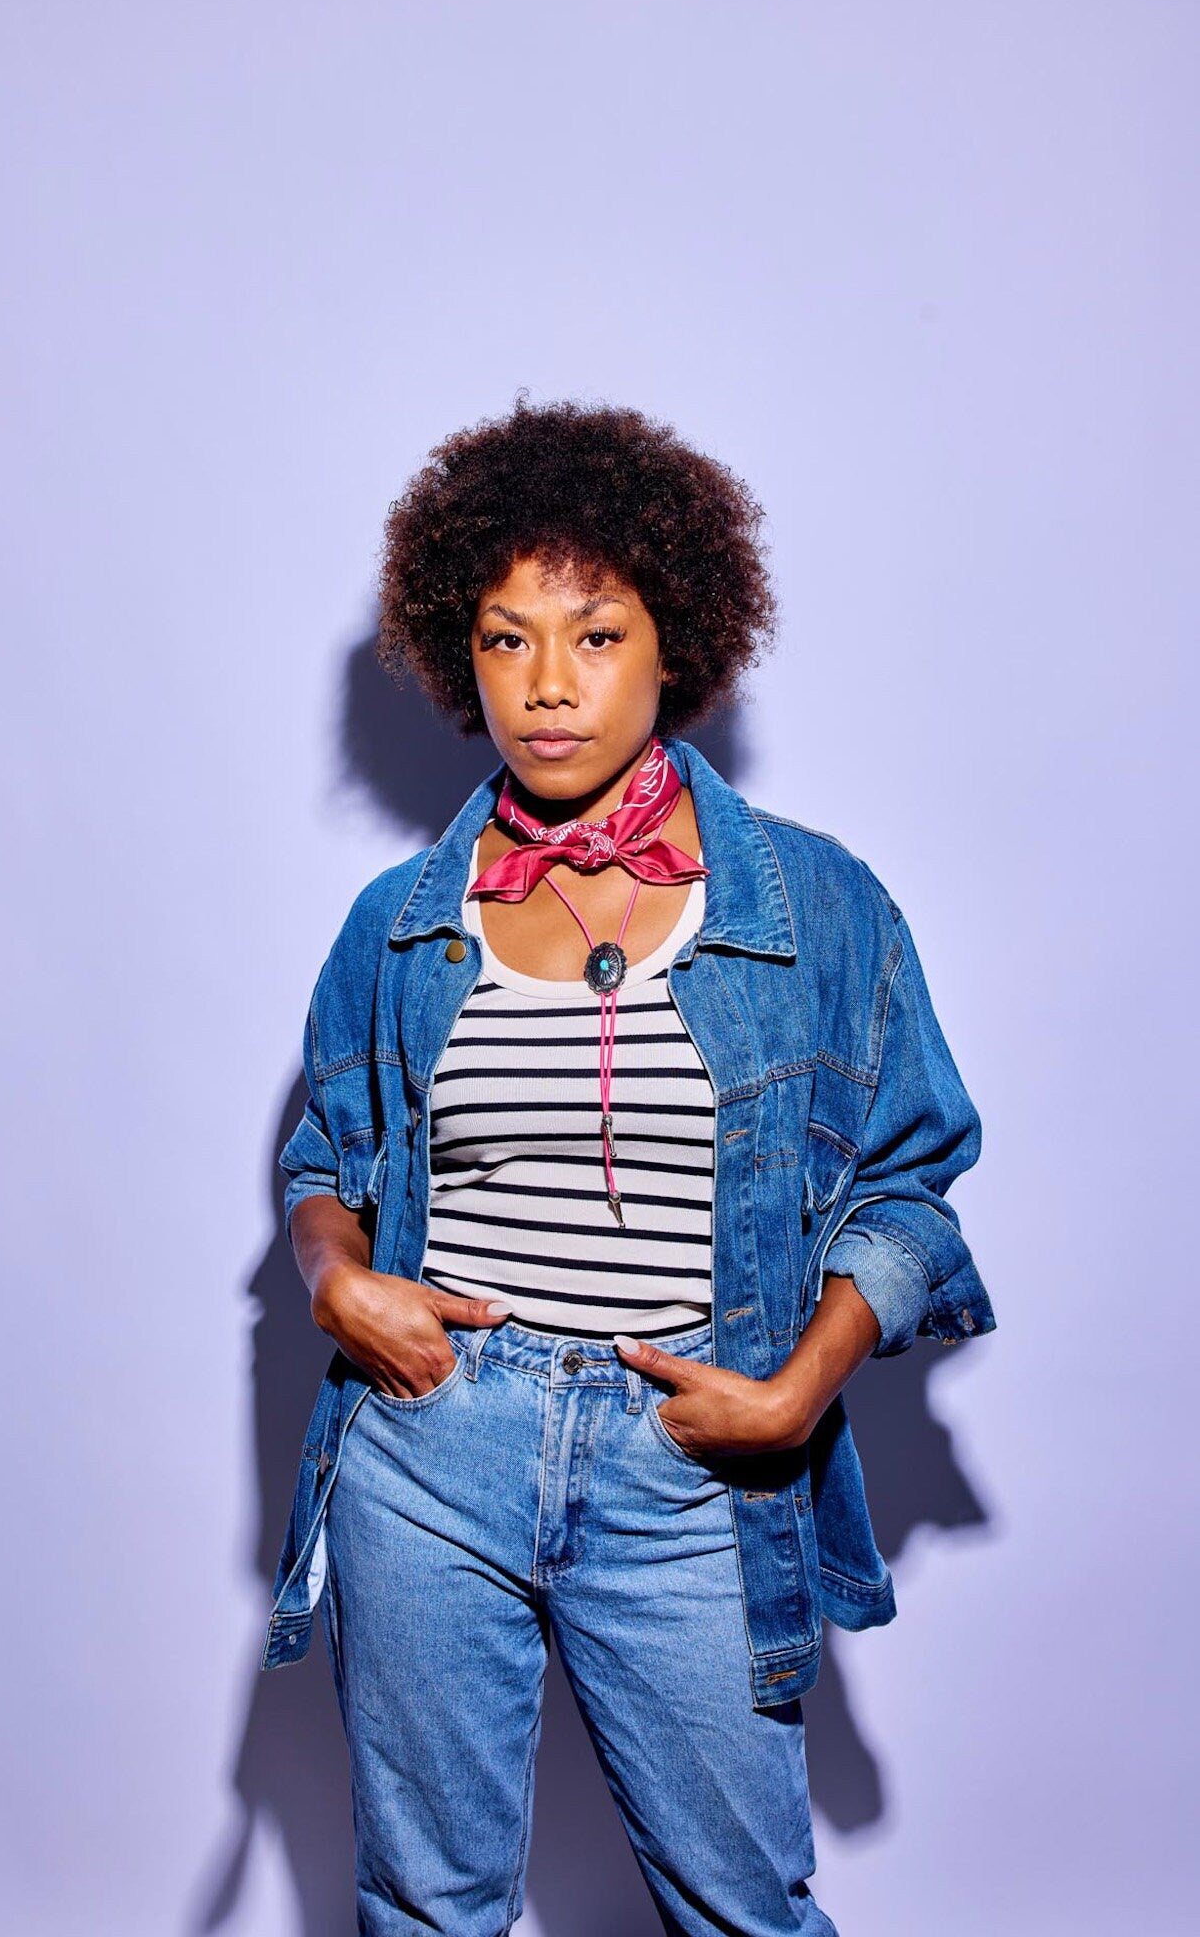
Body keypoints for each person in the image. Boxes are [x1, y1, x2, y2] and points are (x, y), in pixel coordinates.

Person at [263, 398, 996, 1936]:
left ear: (678, 644)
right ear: (451, 653)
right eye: (503, 636)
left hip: (687, 1464)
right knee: (424, 1904)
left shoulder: (814, 904)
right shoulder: (400, 922)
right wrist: (342, 1289)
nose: (544, 686)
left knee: (743, 1905)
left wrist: (795, 1389)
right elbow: (324, 1158)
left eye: (593, 636)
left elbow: (910, 1185)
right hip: (429, 1445)